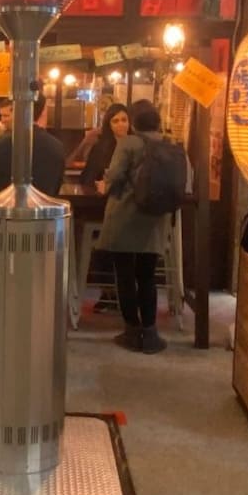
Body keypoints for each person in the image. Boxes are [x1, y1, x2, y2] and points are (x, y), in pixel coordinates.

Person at [94, 103, 171, 354]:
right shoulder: (171, 146)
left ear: (135, 124)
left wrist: (105, 185)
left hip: (126, 216)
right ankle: (150, 333)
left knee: (125, 274)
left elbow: (114, 176)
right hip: (155, 219)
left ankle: (131, 330)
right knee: (148, 275)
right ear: (158, 124)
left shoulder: (128, 144)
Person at [0, 97, 66, 197]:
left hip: (7, 207)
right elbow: (57, 184)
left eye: (5, 116)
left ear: (20, 114)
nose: (2, 120)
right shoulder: (57, 145)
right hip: (43, 208)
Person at [79, 103, 131, 190]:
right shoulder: (100, 149)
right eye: (115, 121)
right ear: (109, 125)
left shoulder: (136, 146)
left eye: (124, 120)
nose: (121, 124)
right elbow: (88, 178)